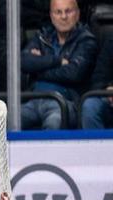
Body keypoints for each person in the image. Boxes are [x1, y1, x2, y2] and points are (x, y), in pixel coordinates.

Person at [20, 0, 97, 130]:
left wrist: (38, 68)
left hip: (65, 102)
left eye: (68, 11)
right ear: (51, 15)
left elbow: (73, 73)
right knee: (5, 121)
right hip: (33, 99)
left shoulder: (86, 40)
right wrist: (58, 61)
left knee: (54, 122)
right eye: (58, 12)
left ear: (77, 14)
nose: (63, 17)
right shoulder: (42, 36)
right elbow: (23, 61)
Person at [81, 35, 113, 129]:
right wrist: (108, 88)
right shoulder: (111, 43)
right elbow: (98, 78)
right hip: (110, 96)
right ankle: (95, 143)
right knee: (90, 105)